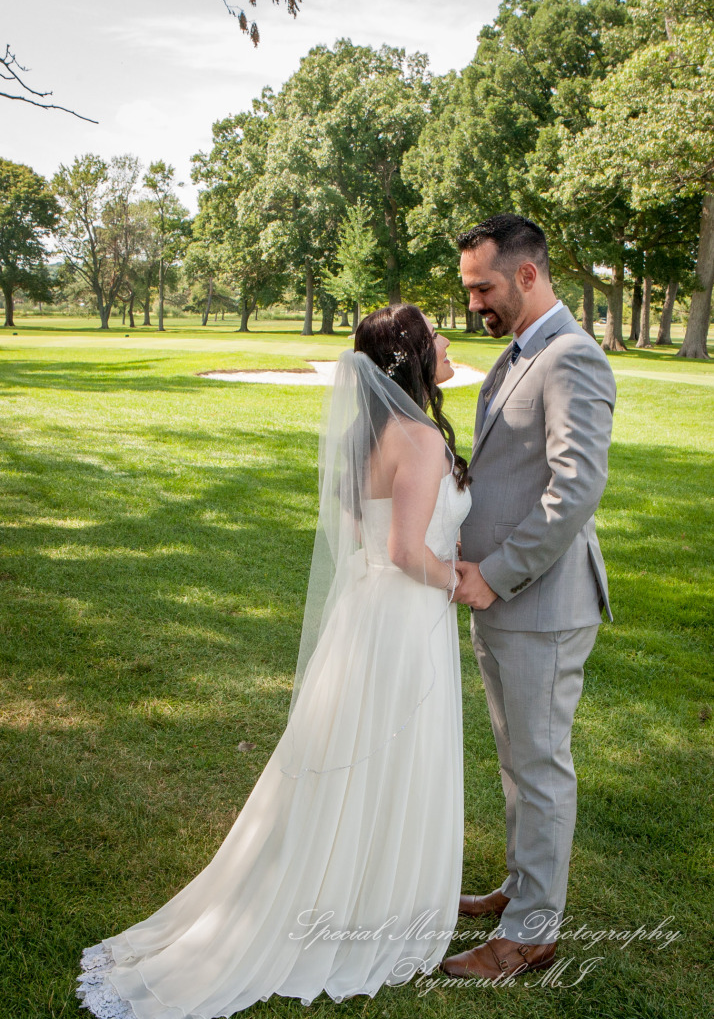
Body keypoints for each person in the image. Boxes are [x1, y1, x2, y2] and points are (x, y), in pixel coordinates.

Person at [77, 304, 472, 1018]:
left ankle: (354, 882)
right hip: (405, 614)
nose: (447, 341)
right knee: (390, 758)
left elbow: (363, 533)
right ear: (412, 359)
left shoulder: (369, 434)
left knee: (358, 760)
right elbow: (405, 551)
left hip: (369, 614)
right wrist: (461, 581)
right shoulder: (417, 438)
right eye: (436, 334)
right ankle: (369, 904)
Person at [442, 214, 616, 981]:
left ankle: (533, 933)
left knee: (541, 765)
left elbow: (574, 489)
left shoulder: (572, 357)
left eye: (482, 285)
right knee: (517, 760)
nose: (474, 301)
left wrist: (495, 570)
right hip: (501, 602)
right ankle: (520, 887)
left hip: (539, 601)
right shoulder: (521, 352)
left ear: (526, 274)